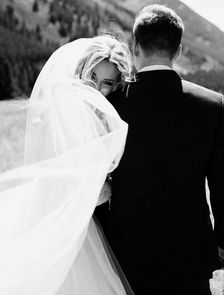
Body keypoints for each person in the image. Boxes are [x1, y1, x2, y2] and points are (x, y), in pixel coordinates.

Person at [105, 4, 224, 294]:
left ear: (135, 45)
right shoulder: (212, 105)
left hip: (125, 256)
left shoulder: (110, 104)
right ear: (179, 50)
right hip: (189, 257)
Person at [0, 35, 134, 294]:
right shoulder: (59, 113)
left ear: (117, 85)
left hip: (85, 223)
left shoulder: (107, 118)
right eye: (91, 77)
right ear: (81, 70)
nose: (96, 89)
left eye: (107, 83)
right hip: (60, 220)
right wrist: (107, 187)